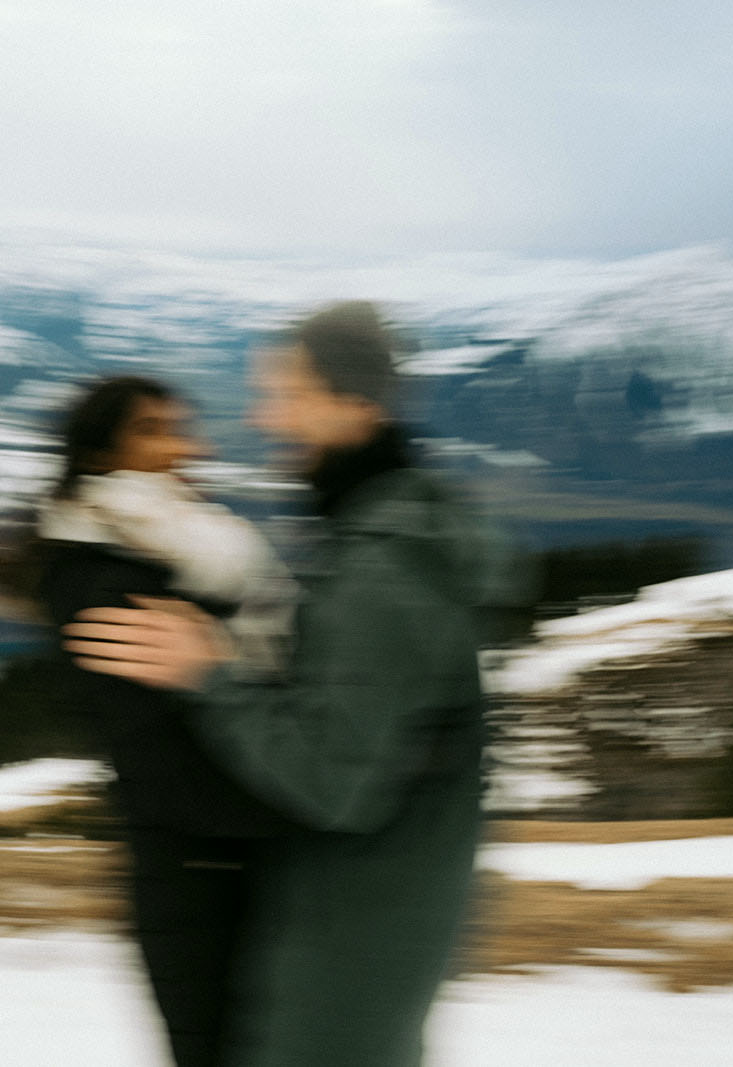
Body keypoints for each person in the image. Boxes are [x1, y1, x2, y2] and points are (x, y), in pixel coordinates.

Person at [65, 302, 516, 1066]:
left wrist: (210, 672)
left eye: (283, 393)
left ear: (356, 403)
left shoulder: (385, 571)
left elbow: (331, 778)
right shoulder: (380, 535)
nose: (262, 415)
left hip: (349, 945)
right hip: (359, 924)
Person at [33, 375, 299, 1067]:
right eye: (155, 429)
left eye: (184, 426)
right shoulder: (101, 576)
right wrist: (308, 809)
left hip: (230, 861)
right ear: (97, 455)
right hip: (194, 879)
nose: (189, 446)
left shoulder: (178, 554)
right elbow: (158, 760)